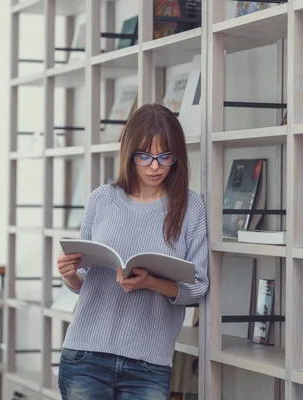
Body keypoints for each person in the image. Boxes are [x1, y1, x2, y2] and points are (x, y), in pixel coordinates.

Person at [55, 103, 209, 399]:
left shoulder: (191, 207)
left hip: (149, 364)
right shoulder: (101, 199)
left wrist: (150, 282)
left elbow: (198, 287)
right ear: (129, 154)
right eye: (145, 156)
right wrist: (69, 274)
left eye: (165, 156)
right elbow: (82, 284)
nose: (155, 166)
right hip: (85, 355)